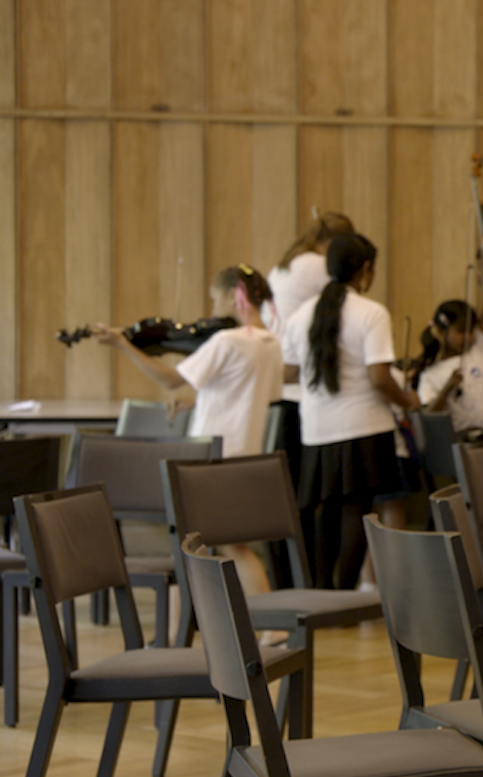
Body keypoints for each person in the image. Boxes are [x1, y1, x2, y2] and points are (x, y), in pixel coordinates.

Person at [93, 264, 283, 599]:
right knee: (211, 545)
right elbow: (244, 395)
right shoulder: (269, 343)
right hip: (244, 455)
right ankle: (205, 628)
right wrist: (196, 402)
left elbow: (168, 378)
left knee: (204, 545)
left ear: (231, 294)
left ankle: (262, 627)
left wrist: (123, 344)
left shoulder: (228, 340)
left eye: (214, 299)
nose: (212, 309)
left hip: (211, 456)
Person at [281, 233, 419, 590]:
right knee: (357, 509)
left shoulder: (302, 315)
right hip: (364, 424)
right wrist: (408, 400)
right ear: (366, 269)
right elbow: (379, 377)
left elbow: (289, 371)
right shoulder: (371, 312)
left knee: (325, 509)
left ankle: (322, 590)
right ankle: (345, 593)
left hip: (316, 428)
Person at [264, 210, 357, 484]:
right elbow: (348, 303)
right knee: (304, 483)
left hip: (279, 378)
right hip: (299, 387)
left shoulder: (284, 265)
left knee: (287, 480)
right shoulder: (317, 265)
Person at [414, 300, 483, 441]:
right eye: (461, 331)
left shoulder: (477, 350)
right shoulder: (430, 375)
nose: (469, 336)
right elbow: (428, 415)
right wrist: (447, 389)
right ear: (442, 332)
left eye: (471, 330)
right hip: (467, 442)